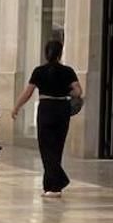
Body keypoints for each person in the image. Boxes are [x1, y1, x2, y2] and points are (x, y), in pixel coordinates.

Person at [10, 41, 82, 198]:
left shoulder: (39, 71)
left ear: (45, 53)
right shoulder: (67, 71)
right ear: (60, 53)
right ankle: (53, 185)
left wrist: (16, 107)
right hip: (62, 109)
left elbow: (28, 92)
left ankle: (55, 184)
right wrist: (66, 90)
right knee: (57, 147)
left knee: (45, 147)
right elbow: (78, 91)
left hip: (46, 108)